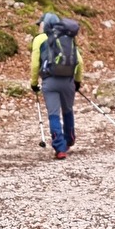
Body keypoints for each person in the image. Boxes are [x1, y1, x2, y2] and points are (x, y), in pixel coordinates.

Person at [31, 12, 82, 160]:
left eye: (40, 24)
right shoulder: (67, 37)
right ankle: (69, 139)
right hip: (68, 81)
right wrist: (77, 81)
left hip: (50, 82)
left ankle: (59, 148)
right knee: (68, 111)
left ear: (44, 24)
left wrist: (34, 83)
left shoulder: (39, 39)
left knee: (54, 114)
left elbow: (35, 64)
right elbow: (80, 61)